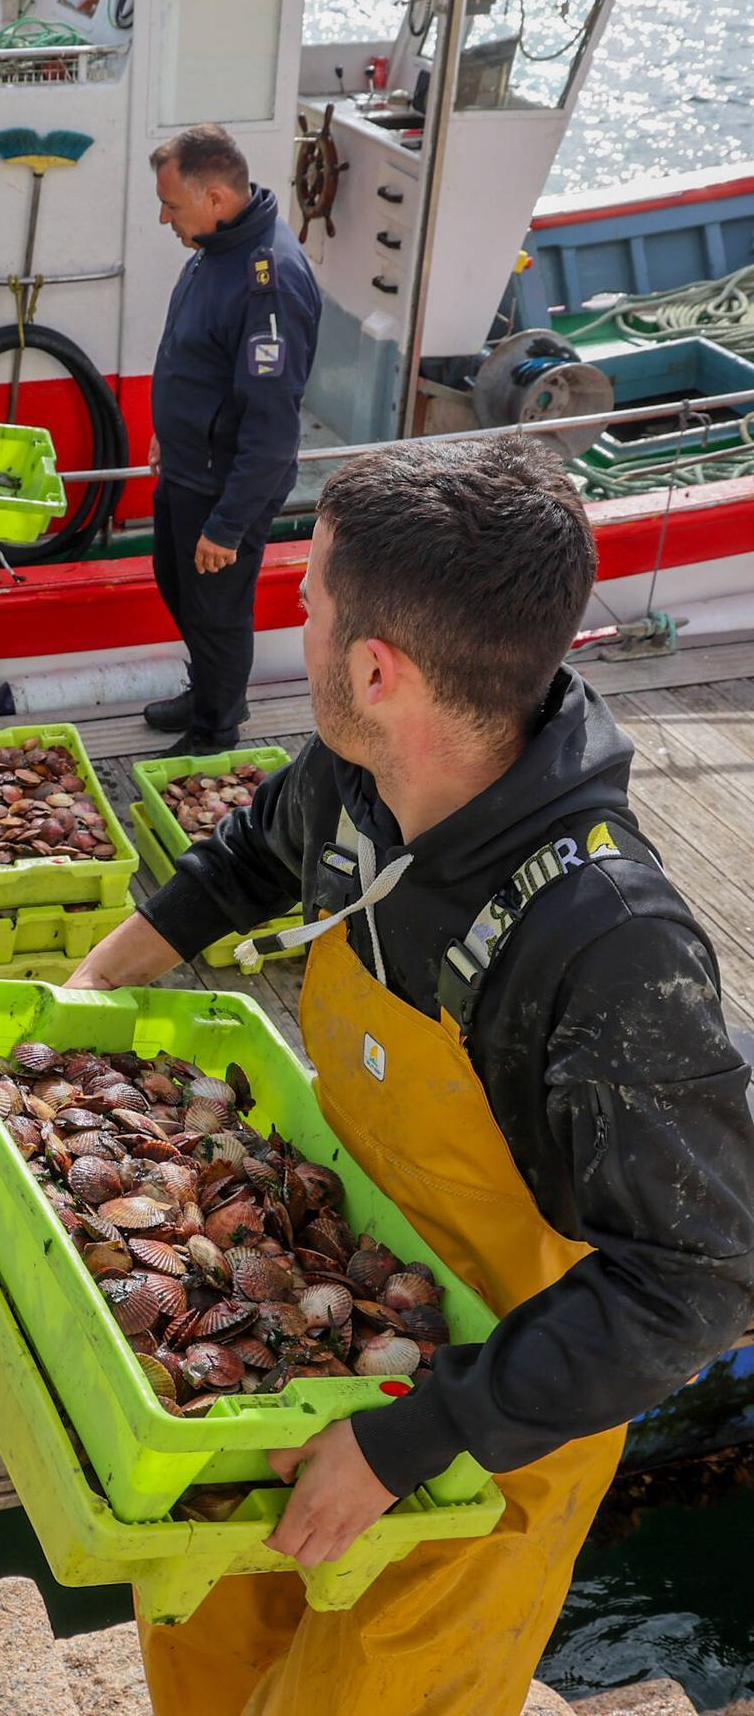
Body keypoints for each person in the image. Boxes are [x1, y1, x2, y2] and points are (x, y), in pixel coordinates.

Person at [66, 435, 754, 1716]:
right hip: (318, 1312)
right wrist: (97, 982)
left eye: (311, 598)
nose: (299, 616)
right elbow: (246, 857)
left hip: (487, 1439)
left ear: (376, 669)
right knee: (206, 1646)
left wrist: (410, 1439)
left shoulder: (608, 945)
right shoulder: (365, 775)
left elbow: (704, 1278)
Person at [142, 125, 321, 754]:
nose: (164, 218)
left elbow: (272, 427)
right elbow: (199, 360)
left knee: (217, 610)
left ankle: (216, 729)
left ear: (216, 198)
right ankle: (209, 691)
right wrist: (170, 433)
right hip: (188, 464)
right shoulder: (216, 246)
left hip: (225, 483)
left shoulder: (266, 282)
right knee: (176, 582)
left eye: (173, 205)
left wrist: (228, 525)